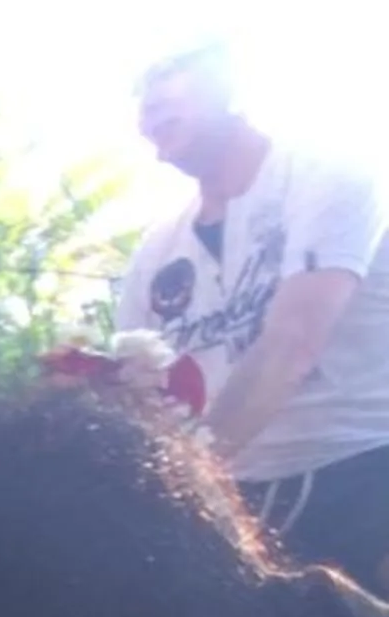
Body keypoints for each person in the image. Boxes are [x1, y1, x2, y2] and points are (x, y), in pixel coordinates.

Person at [119, 45, 389, 587]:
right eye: (146, 105)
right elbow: (138, 391)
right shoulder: (157, 251)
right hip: (240, 495)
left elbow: (291, 345)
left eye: (170, 91)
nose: (152, 110)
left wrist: (184, 473)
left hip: (363, 466)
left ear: (229, 92)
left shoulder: (326, 177)